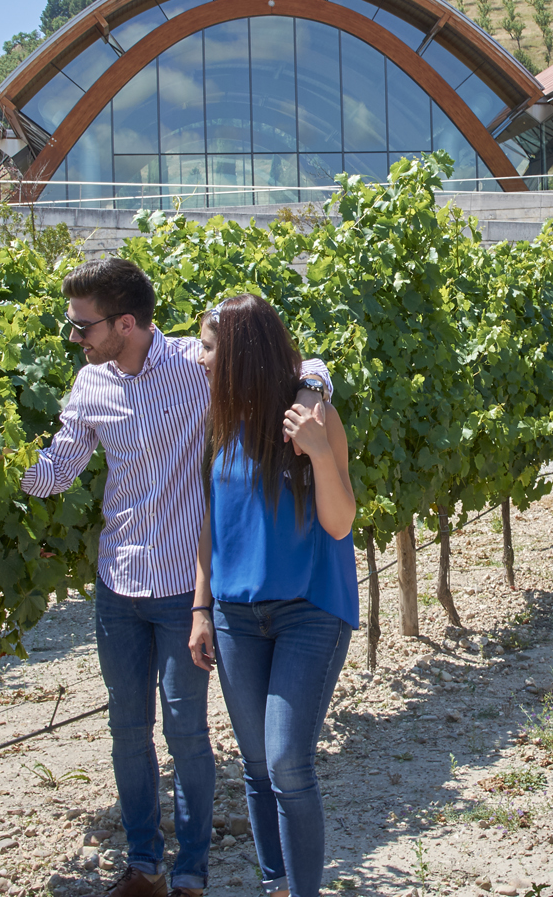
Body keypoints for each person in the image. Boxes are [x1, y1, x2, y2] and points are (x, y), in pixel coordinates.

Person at [0, 259, 332, 897]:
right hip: (118, 582)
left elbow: (296, 366)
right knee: (128, 727)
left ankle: (191, 872)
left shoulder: (192, 365)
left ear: (126, 322)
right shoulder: (90, 385)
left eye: (83, 327)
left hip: (186, 585)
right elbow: (51, 474)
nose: (75, 339)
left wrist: (314, 390)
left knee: (186, 732)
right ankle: (145, 863)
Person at [187, 295, 357, 897]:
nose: (199, 357)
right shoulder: (220, 420)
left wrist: (316, 450)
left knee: (288, 761)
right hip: (235, 615)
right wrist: (201, 607)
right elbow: (211, 520)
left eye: (208, 347)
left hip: (309, 610)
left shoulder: (309, 415)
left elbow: (340, 523)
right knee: (256, 765)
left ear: (239, 353)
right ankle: (276, 885)